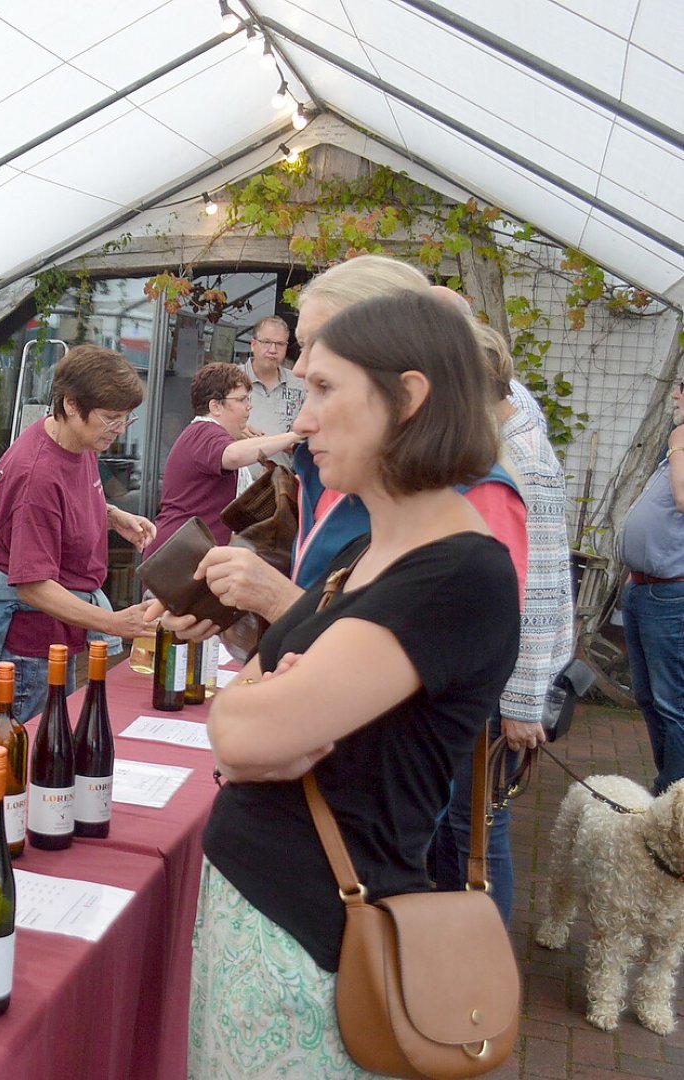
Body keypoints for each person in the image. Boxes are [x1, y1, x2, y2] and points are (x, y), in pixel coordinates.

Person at [190, 290, 520, 1076]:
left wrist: (252, 716)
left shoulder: (456, 574)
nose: (300, 420)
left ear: (408, 398)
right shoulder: (365, 555)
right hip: (269, 926)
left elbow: (243, 732)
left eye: (324, 389)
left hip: (319, 950)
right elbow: (240, 721)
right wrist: (251, 713)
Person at [147, 255, 526, 632]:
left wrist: (277, 600)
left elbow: (446, 658)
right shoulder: (325, 465)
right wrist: (227, 596)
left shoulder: (473, 492)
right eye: (302, 344)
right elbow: (318, 587)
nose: (298, 366)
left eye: (320, 348)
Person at [428, 325, 574, 921]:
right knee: (464, 825)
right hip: (487, 672)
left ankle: (480, 981)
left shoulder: (524, 458)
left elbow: (537, 591)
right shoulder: (505, 439)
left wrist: (522, 703)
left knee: (479, 834)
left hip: (502, 682)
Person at [0, 344, 157, 729]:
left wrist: (110, 516)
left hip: (53, 643)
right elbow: (32, 586)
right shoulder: (37, 476)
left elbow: (63, 513)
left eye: (126, 419)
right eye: (111, 418)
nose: (119, 430)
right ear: (71, 405)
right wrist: (115, 623)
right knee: (29, 768)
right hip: (25, 652)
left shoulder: (77, 441)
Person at [141, 362, 301, 557]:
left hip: (188, 553)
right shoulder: (204, 431)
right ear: (215, 406)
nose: (249, 406)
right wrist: (295, 435)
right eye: (242, 399)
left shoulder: (206, 434)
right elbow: (233, 455)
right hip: (179, 558)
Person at [619, 377, 684, 794]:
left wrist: (679, 442)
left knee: (672, 703)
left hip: (670, 594)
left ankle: (674, 796)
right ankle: (669, 791)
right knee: (646, 697)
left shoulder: (680, 446)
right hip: (642, 589)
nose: (676, 394)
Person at [241, 314, 305, 472]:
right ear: (253, 344)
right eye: (266, 342)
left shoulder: (300, 384)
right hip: (236, 486)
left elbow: (310, 438)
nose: (273, 350)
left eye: (279, 344)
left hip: (282, 486)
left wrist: (297, 445)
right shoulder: (230, 380)